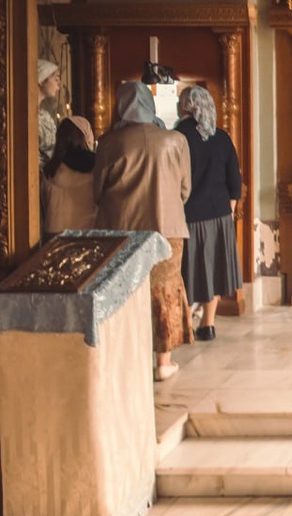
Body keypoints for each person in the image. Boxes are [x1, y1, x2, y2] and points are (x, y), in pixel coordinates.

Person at [94, 81, 193, 381]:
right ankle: (164, 361)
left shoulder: (109, 143)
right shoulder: (175, 140)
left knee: (123, 293)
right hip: (168, 228)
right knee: (165, 291)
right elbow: (185, 190)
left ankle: (128, 357)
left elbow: (97, 191)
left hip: (120, 230)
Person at [176, 85, 242, 342]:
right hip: (220, 213)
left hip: (188, 215)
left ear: (186, 106)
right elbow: (234, 181)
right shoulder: (221, 137)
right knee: (213, 270)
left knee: (187, 271)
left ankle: (186, 324)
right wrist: (230, 210)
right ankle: (208, 324)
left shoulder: (177, 136)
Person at [42, 116, 97, 239]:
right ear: (86, 136)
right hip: (85, 235)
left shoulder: (50, 170)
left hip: (53, 236)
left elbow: (45, 205)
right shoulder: (95, 166)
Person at [36, 59, 62, 171]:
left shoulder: (46, 116)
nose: (59, 85)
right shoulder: (27, 116)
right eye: (56, 79)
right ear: (42, 80)